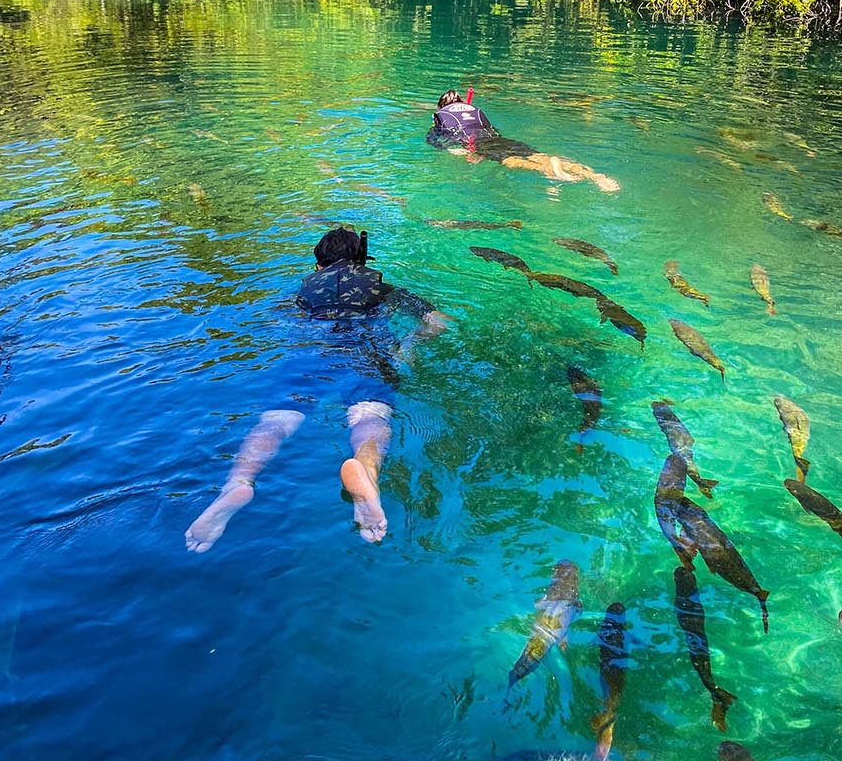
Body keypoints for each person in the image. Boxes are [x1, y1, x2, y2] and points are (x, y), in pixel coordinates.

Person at [185, 227, 447, 552]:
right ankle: (365, 471)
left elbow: (278, 320)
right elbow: (438, 321)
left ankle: (237, 483)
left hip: (313, 353)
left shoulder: (303, 292)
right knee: (369, 417)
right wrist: (408, 346)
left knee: (276, 422)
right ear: (362, 262)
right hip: (366, 351)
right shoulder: (383, 288)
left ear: (318, 267)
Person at [427, 88, 619, 193]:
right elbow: (491, 130)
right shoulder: (474, 111)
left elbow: (434, 139)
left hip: (479, 145)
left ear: (441, 106)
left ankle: (545, 170)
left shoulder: (441, 116)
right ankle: (597, 177)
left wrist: (454, 150)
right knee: (536, 155)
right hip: (500, 139)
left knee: (510, 161)